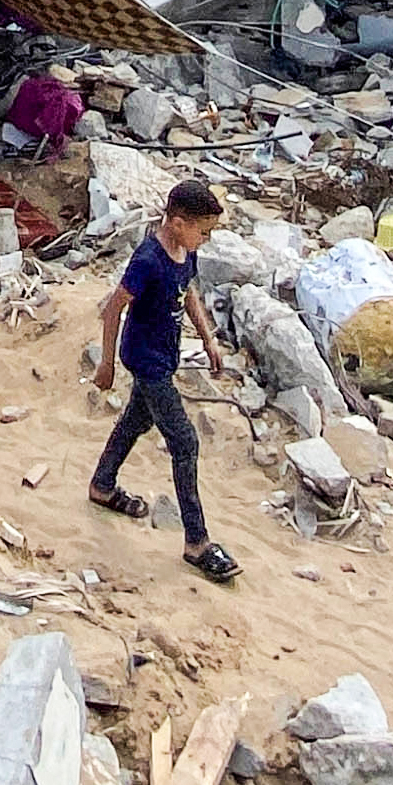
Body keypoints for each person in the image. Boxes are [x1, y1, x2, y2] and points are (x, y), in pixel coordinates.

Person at [89, 180, 240, 584]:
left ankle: (102, 485)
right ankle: (197, 542)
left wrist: (207, 338)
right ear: (177, 223)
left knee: (135, 421)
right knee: (185, 442)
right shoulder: (147, 261)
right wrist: (106, 364)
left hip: (165, 356)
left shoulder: (184, 252)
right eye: (203, 231)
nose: (206, 240)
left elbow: (187, 292)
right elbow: (113, 309)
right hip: (146, 362)